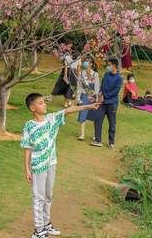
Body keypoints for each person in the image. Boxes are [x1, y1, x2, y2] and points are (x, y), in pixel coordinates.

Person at [21, 93, 98, 238]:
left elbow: (68, 110)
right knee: (39, 197)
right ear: (32, 108)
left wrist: (89, 106)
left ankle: (46, 224)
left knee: (48, 195)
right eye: (41, 103)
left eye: (44, 102)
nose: (44, 105)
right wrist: (27, 169)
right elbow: (27, 148)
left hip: (51, 163)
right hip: (38, 166)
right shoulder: (29, 126)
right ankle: (38, 231)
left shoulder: (51, 119)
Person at [92, 58, 123, 149]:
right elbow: (102, 86)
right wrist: (100, 94)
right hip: (102, 103)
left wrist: (104, 96)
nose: (107, 67)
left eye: (109, 65)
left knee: (112, 123)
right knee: (97, 120)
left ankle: (111, 142)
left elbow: (115, 91)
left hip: (112, 103)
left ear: (114, 66)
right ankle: (97, 140)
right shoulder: (106, 75)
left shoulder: (119, 78)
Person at [76, 60, 100, 141]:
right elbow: (79, 86)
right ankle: (82, 134)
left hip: (92, 96)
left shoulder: (95, 74)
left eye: (89, 63)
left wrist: (97, 97)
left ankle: (95, 134)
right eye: (86, 62)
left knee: (94, 115)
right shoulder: (81, 73)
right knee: (83, 114)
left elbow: (97, 87)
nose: (87, 64)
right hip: (84, 95)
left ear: (92, 64)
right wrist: (78, 98)